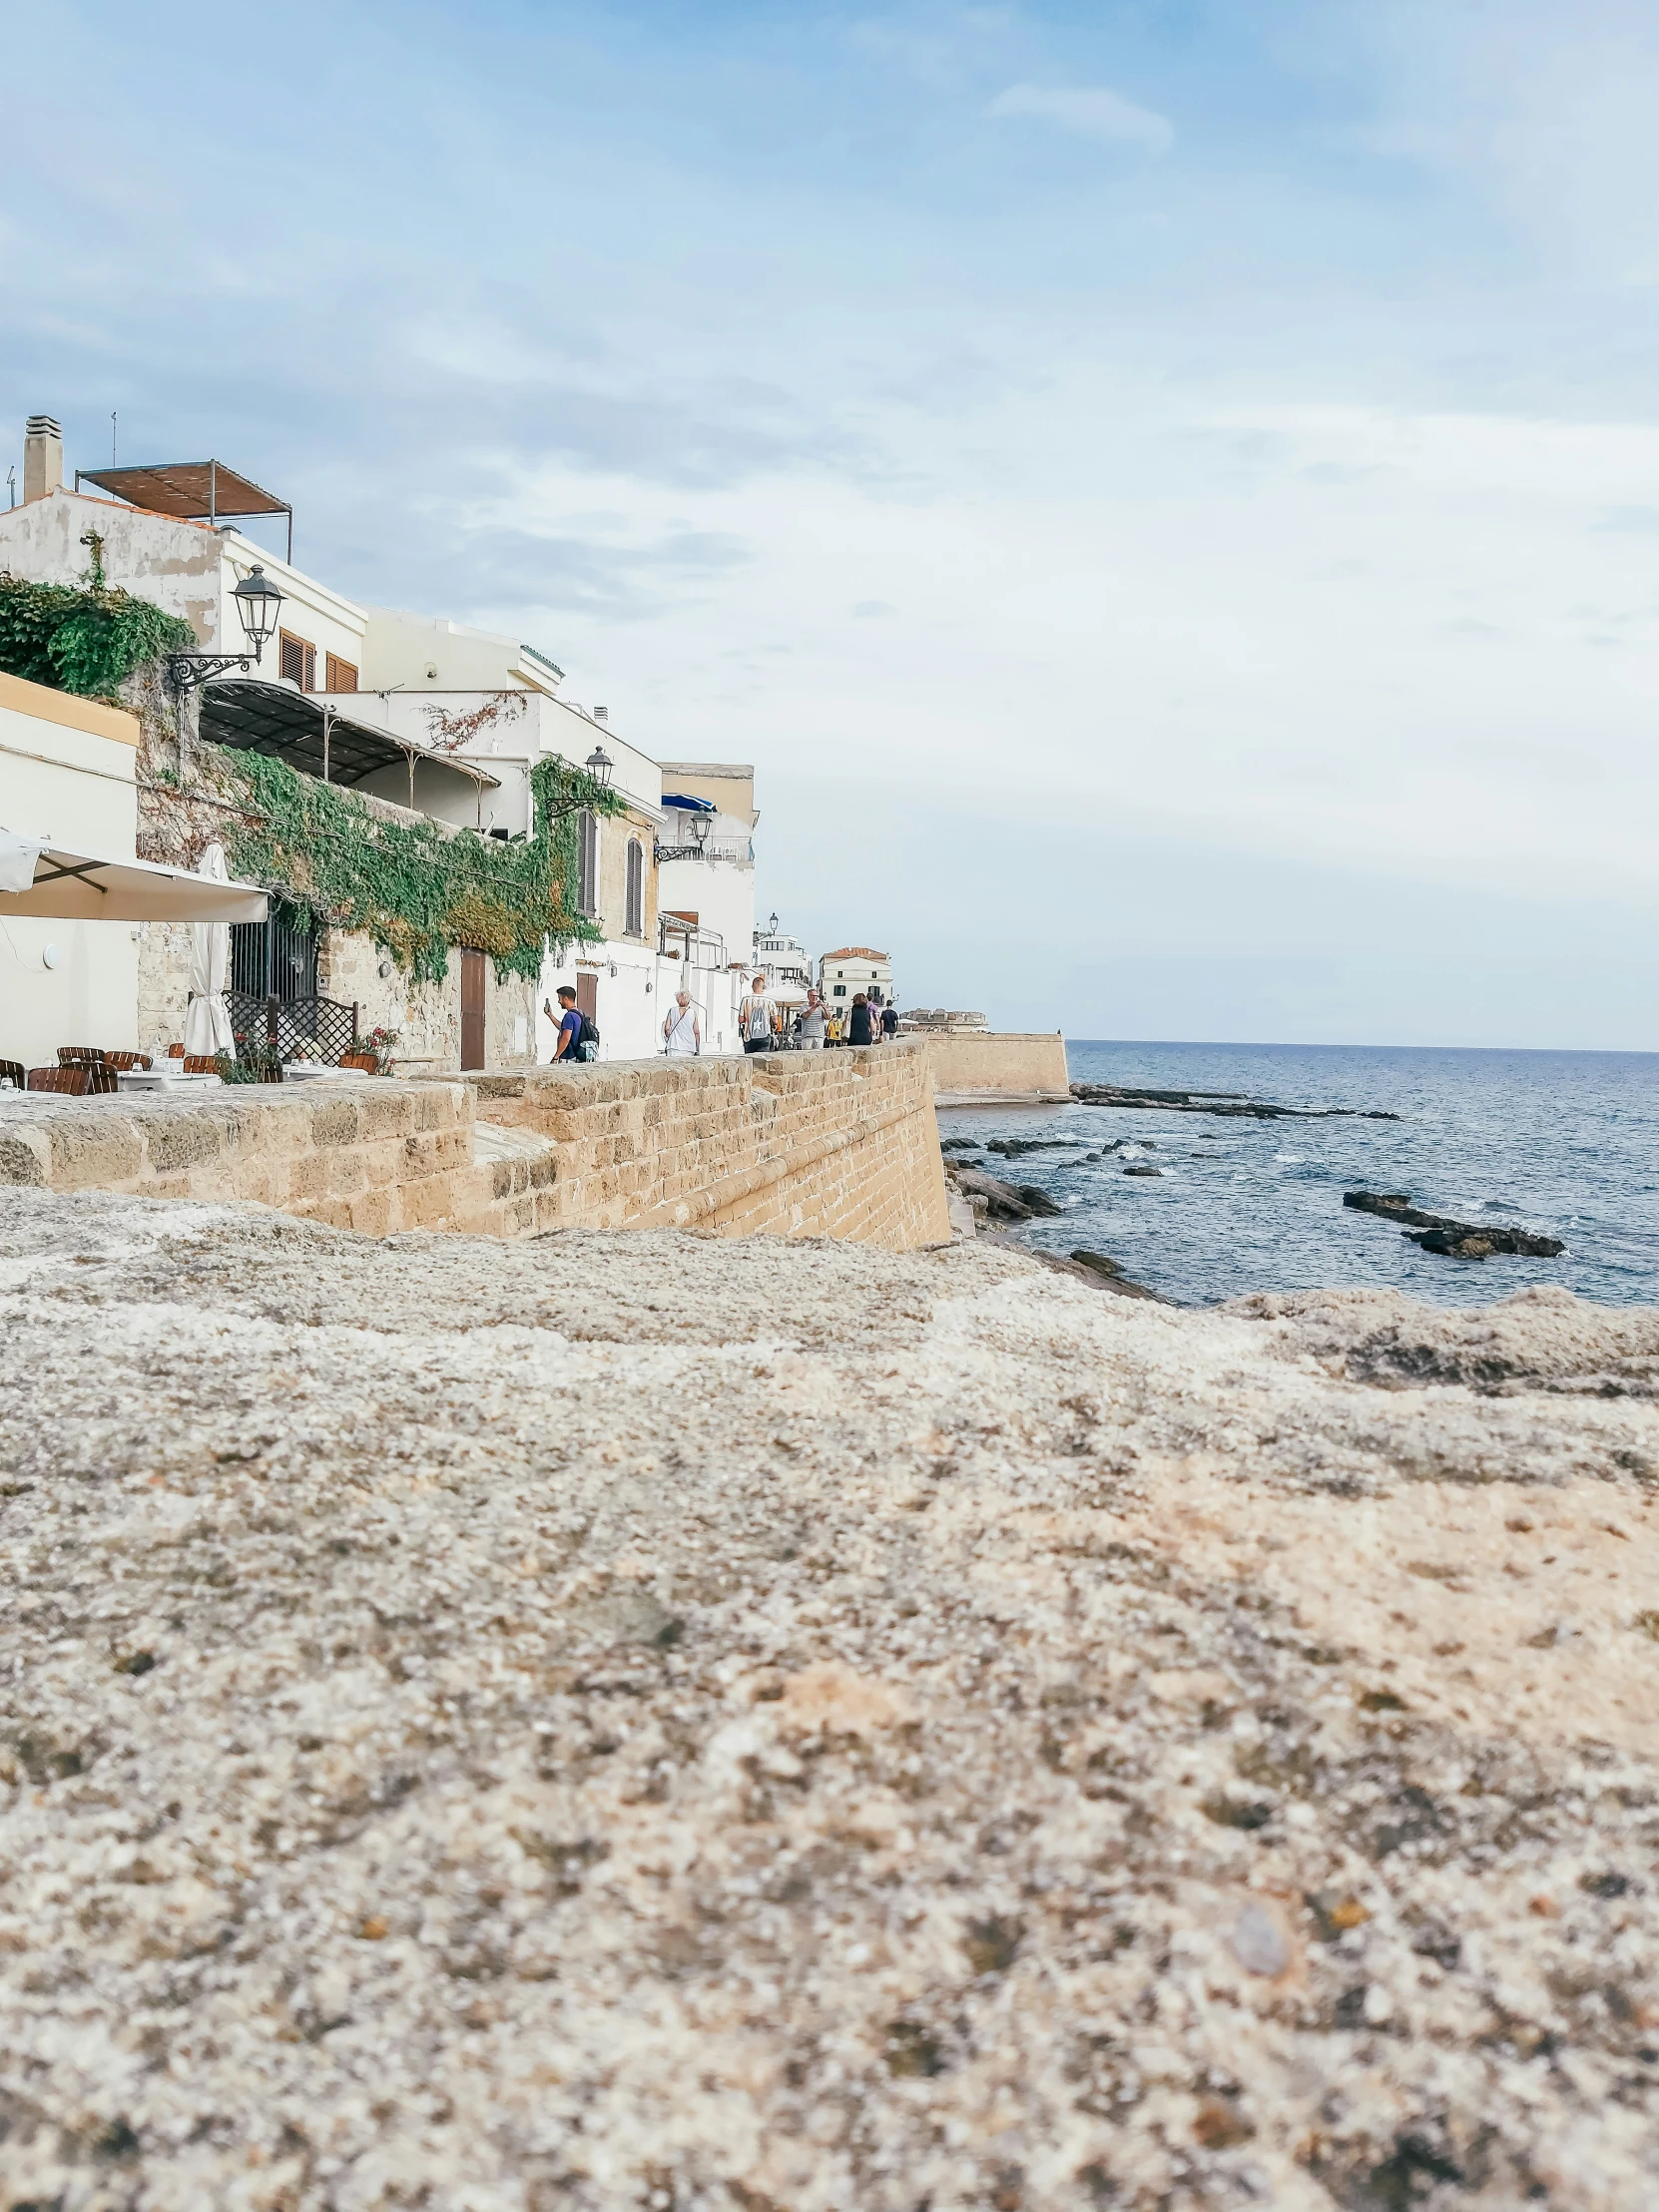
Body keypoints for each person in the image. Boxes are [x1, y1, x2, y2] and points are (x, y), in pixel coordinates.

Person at [544, 985, 583, 1062]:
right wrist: (550, 1015)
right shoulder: (579, 1014)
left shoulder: (569, 1016)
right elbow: (563, 1027)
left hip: (568, 1058)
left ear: (566, 998)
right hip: (576, 1057)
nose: (559, 1001)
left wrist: (555, 1057)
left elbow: (565, 1038)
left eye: (560, 998)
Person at [740, 974, 772, 1054]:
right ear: (763, 987)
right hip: (764, 1035)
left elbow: (740, 1020)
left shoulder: (745, 1000)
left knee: (749, 1062)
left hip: (749, 1036)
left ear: (752, 986)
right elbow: (775, 1020)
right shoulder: (769, 1000)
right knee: (762, 1062)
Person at [664, 989, 701, 1056]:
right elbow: (696, 1032)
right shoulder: (692, 1013)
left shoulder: (672, 1011)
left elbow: (667, 1028)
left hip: (673, 1046)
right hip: (688, 1047)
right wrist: (697, 1047)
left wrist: (670, 1037)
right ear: (688, 1000)